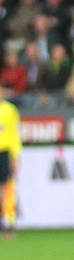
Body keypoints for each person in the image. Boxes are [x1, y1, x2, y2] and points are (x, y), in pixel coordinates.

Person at [0, 85, 21, 235]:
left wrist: (16, 156)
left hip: (4, 152)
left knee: (6, 188)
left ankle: (8, 222)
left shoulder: (10, 110)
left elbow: (15, 134)